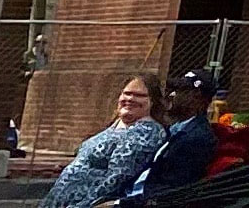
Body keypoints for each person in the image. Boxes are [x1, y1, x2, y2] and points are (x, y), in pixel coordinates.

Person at [44, 76, 169, 208]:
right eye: (127, 93)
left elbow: (116, 179)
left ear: (152, 101)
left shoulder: (147, 132)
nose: (130, 99)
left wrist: (83, 205)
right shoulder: (115, 126)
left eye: (139, 95)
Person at [121, 69, 223, 200]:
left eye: (181, 91)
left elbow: (171, 189)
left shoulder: (197, 138)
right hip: (130, 194)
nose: (172, 95)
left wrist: (122, 203)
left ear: (197, 97)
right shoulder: (175, 129)